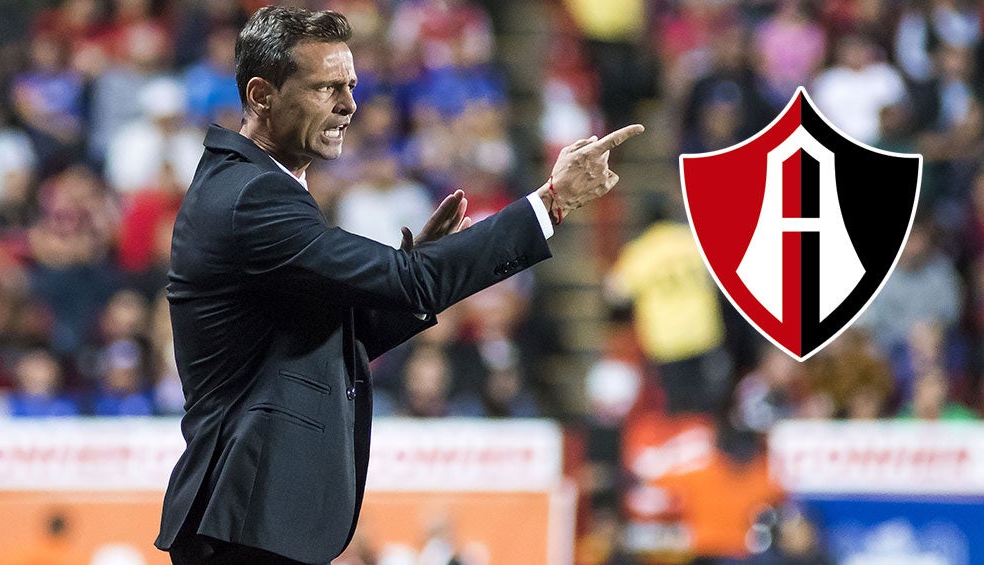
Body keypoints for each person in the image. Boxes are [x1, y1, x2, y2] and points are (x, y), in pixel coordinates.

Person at [154, 6, 643, 565]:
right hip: (245, 517)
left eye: (351, 85)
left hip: (252, 517)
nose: (349, 105)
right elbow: (410, 281)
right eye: (326, 87)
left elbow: (337, 337)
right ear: (262, 95)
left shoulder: (256, 186)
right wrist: (550, 203)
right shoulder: (252, 195)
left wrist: (418, 266)